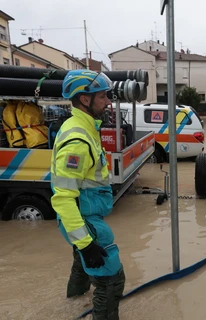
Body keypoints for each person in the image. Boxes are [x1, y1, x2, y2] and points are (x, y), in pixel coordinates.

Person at [50, 70, 125, 319]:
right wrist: (85, 243)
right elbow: (62, 198)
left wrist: (81, 245)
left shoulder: (82, 127)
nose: (108, 102)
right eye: (103, 97)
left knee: (82, 265)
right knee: (111, 281)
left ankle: (74, 300)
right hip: (85, 221)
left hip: (84, 218)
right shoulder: (77, 142)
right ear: (85, 99)